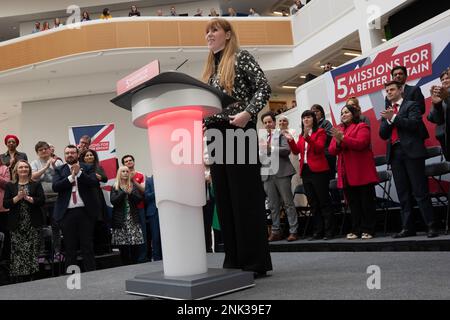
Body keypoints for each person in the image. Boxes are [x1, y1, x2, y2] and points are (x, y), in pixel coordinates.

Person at [202, 18, 272, 277]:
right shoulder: (210, 68)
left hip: (237, 130)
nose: (209, 35)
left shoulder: (241, 57)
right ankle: (233, 259)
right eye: (207, 31)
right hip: (215, 134)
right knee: (226, 199)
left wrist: (248, 113)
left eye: (214, 30)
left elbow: (264, 88)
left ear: (228, 35)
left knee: (244, 197)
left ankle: (254, 261)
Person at [379, 81, 438, 238]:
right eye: (387, 91)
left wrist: (394, 117)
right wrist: (389, 119)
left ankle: (431, 226)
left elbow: (414, 125)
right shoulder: (387, 110)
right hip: (395, 154)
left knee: (420, 191)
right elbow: (383, 134)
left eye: (392, 89)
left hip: (412, 152)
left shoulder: (411, 105)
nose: (389, 92)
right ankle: (407, 227)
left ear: (400, 90)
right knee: (403, 193)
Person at [284, 110, 335, 240]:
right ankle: (318, 231)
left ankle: (329, 231)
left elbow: (319, 148)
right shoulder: (301, 135)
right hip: (306, 170)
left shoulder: (320, 132)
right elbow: (296, 152)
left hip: (319, 170)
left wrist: (308, 138)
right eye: (303, 118)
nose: (305, 120)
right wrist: (290, 141)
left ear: (313, 119)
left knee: (324, 201)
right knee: (313, 203)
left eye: (308, 117)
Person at [329, 105, 378, 239]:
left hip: (361, 171)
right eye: (342, 113)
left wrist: (343, 138)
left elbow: (361, 143)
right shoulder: (338, 129)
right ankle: (356, 229)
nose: (343, 115)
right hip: (346, 173)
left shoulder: (362, 126)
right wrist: (338, 141)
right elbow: (332, 150)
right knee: (353, 203)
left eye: (346, 112)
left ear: (353, 114)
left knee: (365, 202)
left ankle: (369, 229)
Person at [52, 145, 99, 272]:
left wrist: (79, 174)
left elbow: (94, 183)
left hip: (85, 212)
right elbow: (55, 187)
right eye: (67, 153)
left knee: (87, 246)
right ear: (64, 155)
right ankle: (72, 277)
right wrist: (71, 177)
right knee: (70, 247)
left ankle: (92, 274)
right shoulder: (59, 170)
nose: (70, 155)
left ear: (78, 154)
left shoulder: (88, 167)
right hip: (67, 213)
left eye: (72, 152)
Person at [3, 160, 45, 281]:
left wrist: (27, 198)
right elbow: (6, 204)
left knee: (32, 250)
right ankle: (20, 278)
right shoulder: (10, 186)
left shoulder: (35, 184)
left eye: (26, 167)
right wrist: (18, 197)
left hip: (32, 223)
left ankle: (33, 275)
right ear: (16, 170)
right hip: (16, 224)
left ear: (29, 170)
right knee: (17, 251)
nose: (23, 169)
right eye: (21, 167)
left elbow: (41, 200)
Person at [260, 112, 298, 242]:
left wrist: (271, 147)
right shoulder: (261, 138)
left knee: (288, 203)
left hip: (282, 172)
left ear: (274, 123)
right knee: (273, 205)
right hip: (267, 174)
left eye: (269, 122)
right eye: (265, 123)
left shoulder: (281, 134)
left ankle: (293, 231)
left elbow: (286, 150)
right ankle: (275, 231)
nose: (267, 124)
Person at [30, 141, 63, 259]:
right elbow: (33, 177)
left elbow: (62, 176)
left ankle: (57, 251)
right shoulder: (34, 163)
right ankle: (42, 252)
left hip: (56, 198)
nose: (43, 151)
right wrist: (46, 167)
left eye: (45, 149)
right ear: (37, 152)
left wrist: (53, 165)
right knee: (41, 226)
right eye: (40, 150)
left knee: (56, 225)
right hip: (41, 199)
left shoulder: (58, 161)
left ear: (50, 149)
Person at [110, 166, 144, 265]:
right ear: (119, 173)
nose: (125, 173)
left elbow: (139, 200)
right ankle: (126, 265)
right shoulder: (115, 186)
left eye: (127, 171)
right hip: (120, 220)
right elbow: (113, 201)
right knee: (123, 245)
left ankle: (135, 263)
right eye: (123, 171)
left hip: (133, 219)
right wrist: (124, 192)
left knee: (135, 244)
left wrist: (131, 193)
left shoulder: (132, 185)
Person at [79, 149, 110, 255]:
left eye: (91, 155)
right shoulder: (80, 168)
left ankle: (101, 248)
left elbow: (105, 178)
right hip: (84, 194)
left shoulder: (98, 167)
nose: (89, 157)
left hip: (97, 194)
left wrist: (99, 177)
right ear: (83, 158)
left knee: (99, 220)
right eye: (86, 155)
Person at [121, 155, 147, 262]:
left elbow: (143, 190)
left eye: (130, 160)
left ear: (134, 162)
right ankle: (133, 259)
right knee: (130, 234)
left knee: (142, 233)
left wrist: (133, 181)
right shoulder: (121, 176)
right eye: (126, 161)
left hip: (139, 208)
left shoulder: (140, 175)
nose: (129, 162)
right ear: (124, 164)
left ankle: (143, 258)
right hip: (127, 210)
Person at [427, 69, 450, 160]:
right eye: (442, 79)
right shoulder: (439, 95)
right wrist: (436, 105)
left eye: (447, 78)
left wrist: (447, 98)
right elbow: (435, 119)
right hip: (445, 139)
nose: (444, 81)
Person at [310, 104, 336, 179]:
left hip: (327, 154)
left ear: (321, 112)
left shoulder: (326, 123)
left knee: (331, 179)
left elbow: (330, 136)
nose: (315, 113)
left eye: (317, 111)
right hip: (317, 157)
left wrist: (318, 133)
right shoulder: (310, 127)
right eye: (313, 112)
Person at [144, 175, 162, 261]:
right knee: (156, 238)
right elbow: (146, 196)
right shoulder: (149, 180)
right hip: (153, 212)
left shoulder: (167, 178)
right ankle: (157, 259)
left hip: (167, 211)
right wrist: (158, 191)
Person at [0, 161, 10, 262]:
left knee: (6, 236)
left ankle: (6, 260)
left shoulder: (4, 168)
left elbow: (7, 185)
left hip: (3, 208)